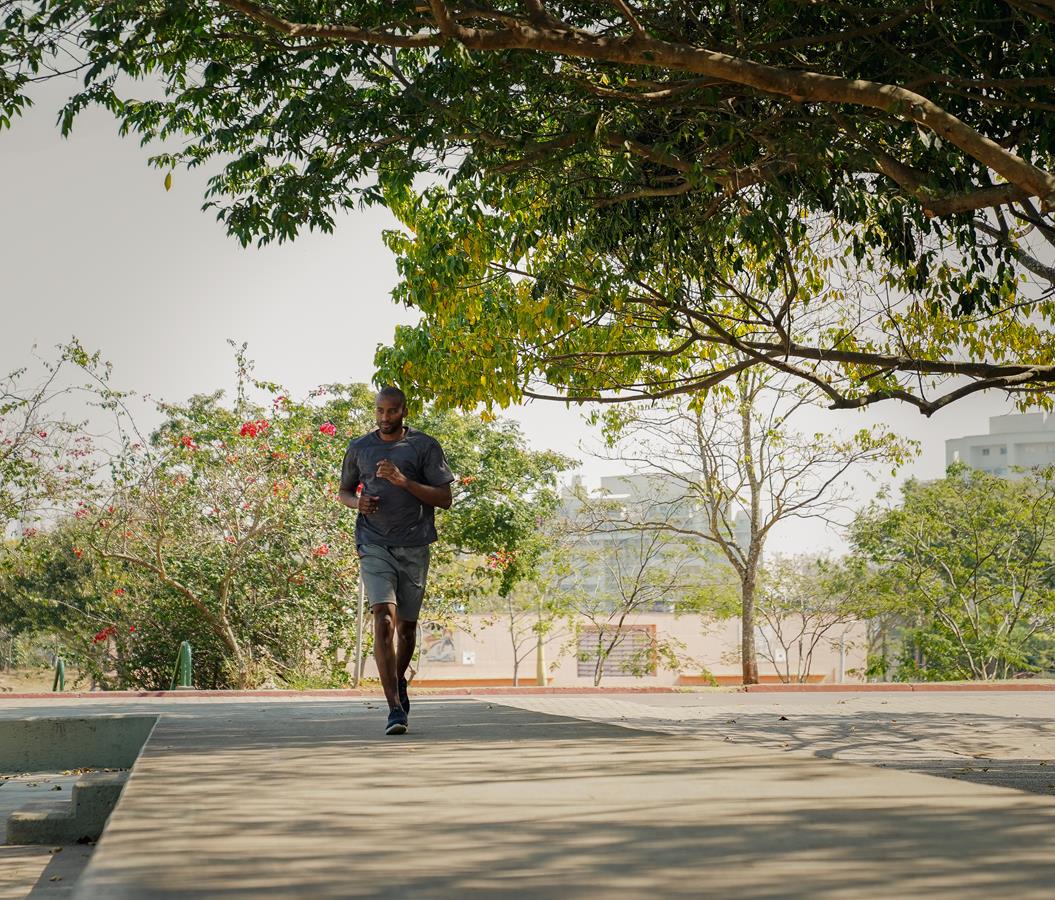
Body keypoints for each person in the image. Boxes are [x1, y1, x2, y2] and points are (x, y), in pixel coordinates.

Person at [338, 387, 454, 735]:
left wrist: (403, 481)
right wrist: (356, 504)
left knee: (405, 628)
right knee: (383, 619)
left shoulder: (424, 446)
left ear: (404, 410)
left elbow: (445, 498)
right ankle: (394, 708)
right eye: (379, 411)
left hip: (414, 545)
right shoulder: (360, 447)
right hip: (373, 543)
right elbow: (344, 491)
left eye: (391, 411)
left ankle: (398, 682)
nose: (384, 418)